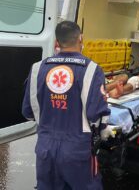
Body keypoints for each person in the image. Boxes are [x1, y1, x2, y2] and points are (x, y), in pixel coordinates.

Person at [22, 21, 114, 190]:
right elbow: (96, 114)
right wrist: (104, 128)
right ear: (81, 38)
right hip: (77, 150)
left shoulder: (37, 68)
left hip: (45, 149)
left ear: (57, 42)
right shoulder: (92, 69)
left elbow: (28, 112)